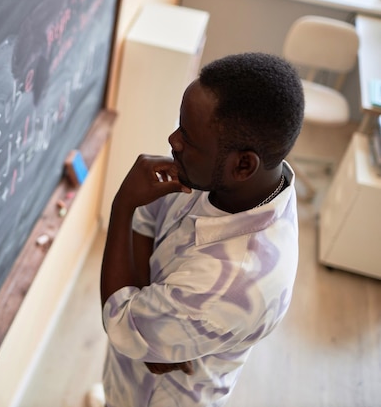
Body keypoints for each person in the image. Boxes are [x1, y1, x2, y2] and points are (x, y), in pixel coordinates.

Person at [93, 52, 304, 407]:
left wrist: (121, 205)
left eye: (188, 137)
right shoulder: (236, 176)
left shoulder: (233, 284)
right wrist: (148, 328)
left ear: (242, 165)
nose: (173, 140)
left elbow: (120, 323)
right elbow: (149, 221)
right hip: (129, 377)